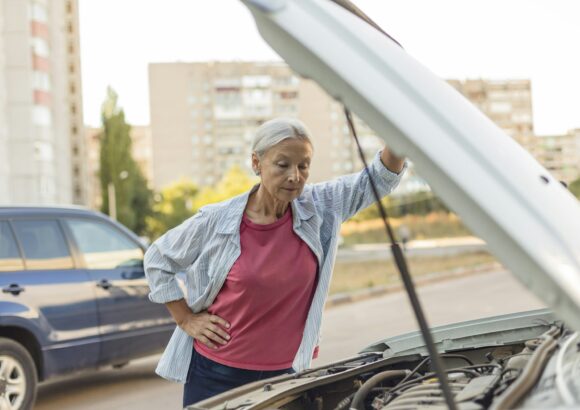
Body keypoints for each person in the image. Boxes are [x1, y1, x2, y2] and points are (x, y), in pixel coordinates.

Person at [144, 117, 406, 406]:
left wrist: (400, 128)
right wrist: (185, 319)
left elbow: (379, 178)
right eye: (283, 165)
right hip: (217, 374)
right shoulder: (218, 220)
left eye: (303, 165)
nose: (295, 176)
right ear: (257, 163)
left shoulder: (320, 206)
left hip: (286, 375)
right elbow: (158, 260)